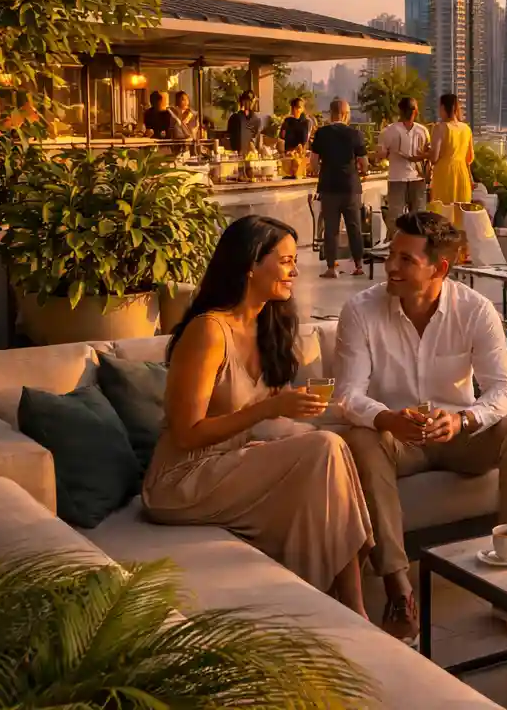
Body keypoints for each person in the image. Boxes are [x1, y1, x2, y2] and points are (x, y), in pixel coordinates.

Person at [142, 215, 373, 616]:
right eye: (285, 261)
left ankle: (337, 609)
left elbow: (270, 411)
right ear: (251, 264)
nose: (295, 271)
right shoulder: (209, 331)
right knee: (324, 449)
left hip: (233, 462)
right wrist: (268, 409)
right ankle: (346, 610)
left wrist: (336, 411)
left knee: (335, 447)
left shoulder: (267, 325)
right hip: (183, 478)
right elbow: (186, 434)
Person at [336, 212, 507, 644]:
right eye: (392, 255)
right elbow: (347, 394)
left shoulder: (474, 309)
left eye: (406, 260)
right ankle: (398, 591)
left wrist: (465, 419)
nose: (391, 267)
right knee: (359, 439)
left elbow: (506, 390)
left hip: (459, 434)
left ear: (440, 268)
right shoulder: (360, 310)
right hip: (396, 437)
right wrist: (387, 418)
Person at [310, 98, 368, 279]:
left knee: (331, 228)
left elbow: (313, 161)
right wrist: (361, 171)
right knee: (354, 226)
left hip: (328, 186)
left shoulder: (321, 133)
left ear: (331, 113)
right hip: (350, 187)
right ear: (346, 114)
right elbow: (364, 162)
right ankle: (359, 265)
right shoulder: (355, 134)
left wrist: (319, 171)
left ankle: (331, 268)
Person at [376, 96, 429, 220]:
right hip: (413, 179)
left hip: (400, 179)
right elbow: (428, 154)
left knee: (397, 217)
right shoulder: (423, 131)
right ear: (416, 111)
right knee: (418, 217)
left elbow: (380, 155)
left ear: (399, 111)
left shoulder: (388, 131)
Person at [428, 92, 474, 207]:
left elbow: (434, 158)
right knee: (461, 211)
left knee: (443, 211)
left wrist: (425, 153)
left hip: (445, 175)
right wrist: (471, 179)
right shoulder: (467, 129)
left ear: (443, 107)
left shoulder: (440, 128)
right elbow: (468, 159)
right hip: (462, 175)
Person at [226, 90, 267, 155]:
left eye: (251, 101)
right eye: (246, 101)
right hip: (236, 154)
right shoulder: (235, 117)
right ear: (242, 102)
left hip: (251, 154)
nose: (248, 103)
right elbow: (228, 137)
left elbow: (256, 138)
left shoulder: (256, 119)